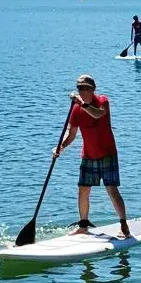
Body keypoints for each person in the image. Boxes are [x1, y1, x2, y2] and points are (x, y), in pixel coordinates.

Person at [54, 74, 130, 238]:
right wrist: (60, 147)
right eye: (80, 88)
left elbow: (98, 114)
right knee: (83, 190)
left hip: (107, 153)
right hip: (88, 155)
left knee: (111, 190)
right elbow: (72, 133)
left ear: (93, 89)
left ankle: (124, 225)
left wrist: (81, 104)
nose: (82, 91)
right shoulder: (76, 110)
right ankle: (83, 225)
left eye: (86, 88)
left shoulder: (102, 101)